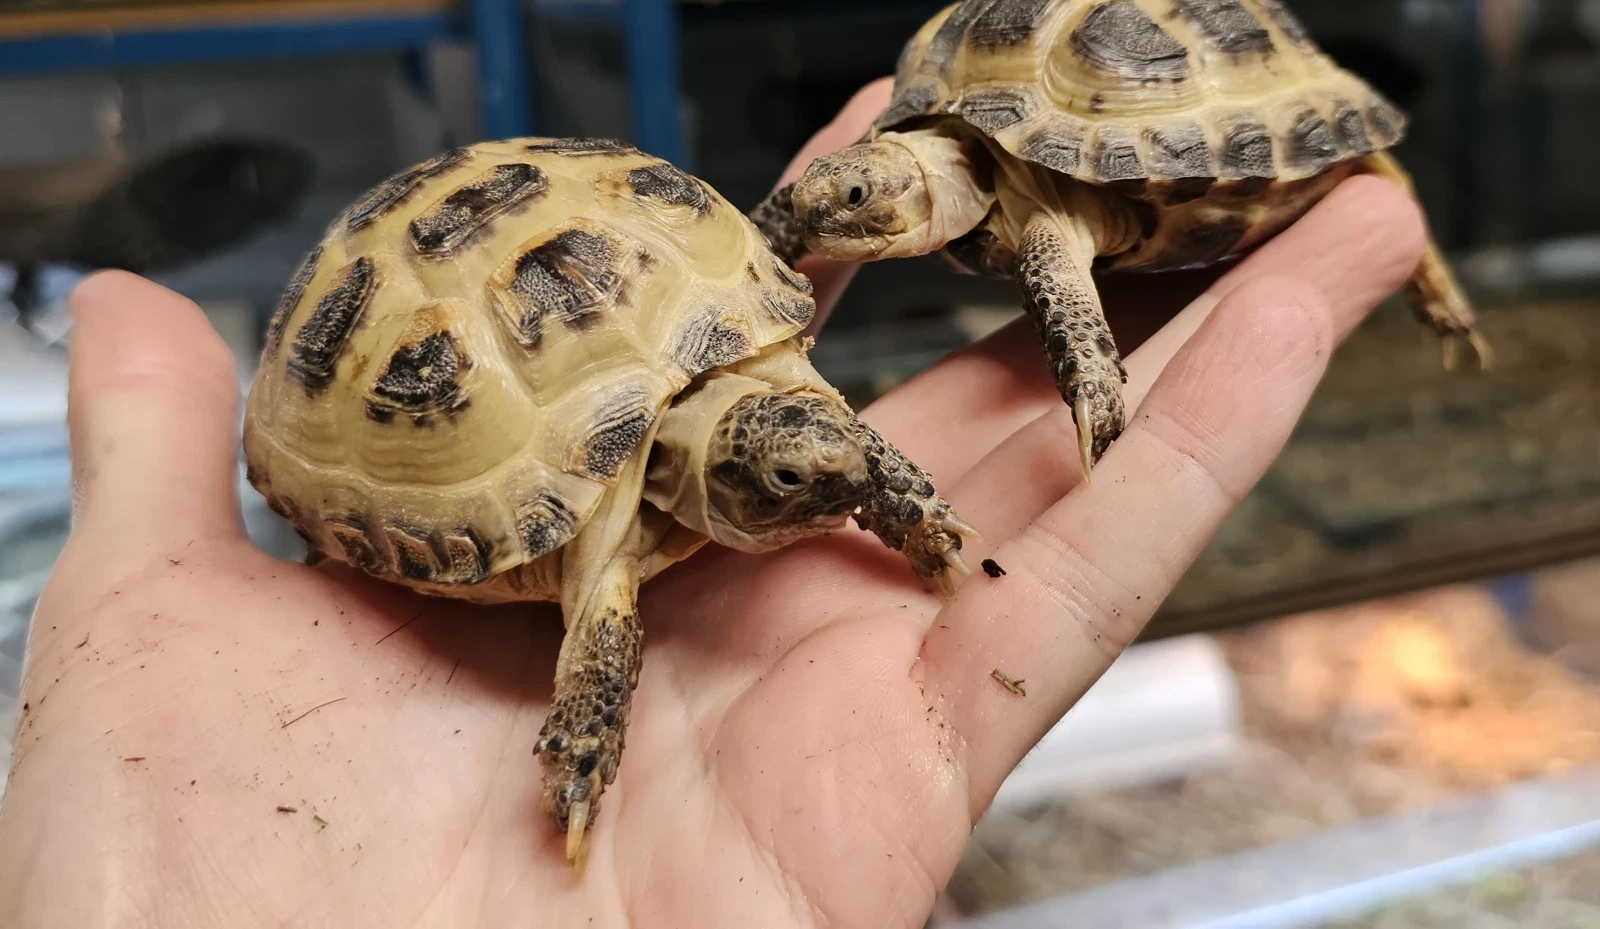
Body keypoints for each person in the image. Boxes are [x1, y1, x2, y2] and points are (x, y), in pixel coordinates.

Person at [0, 79, 1426, 927]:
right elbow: (602, 625)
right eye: (781, 488)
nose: (820, 485)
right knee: (607, 606)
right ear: (706, 485)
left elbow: (840, 452)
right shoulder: (609, 547)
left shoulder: (787, 397)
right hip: (436, 372)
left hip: (652, 300)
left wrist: (910, 516)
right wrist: (582, 747)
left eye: (812, 471)